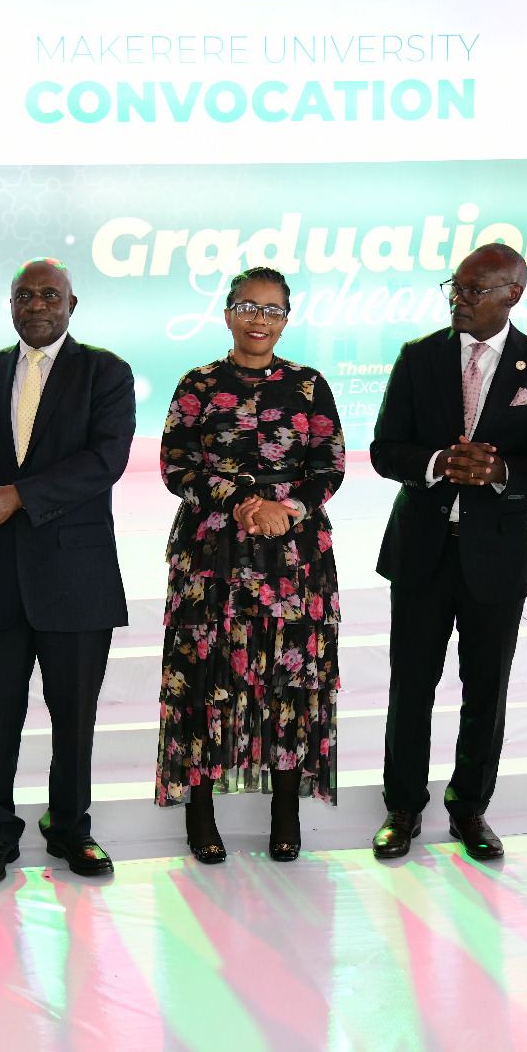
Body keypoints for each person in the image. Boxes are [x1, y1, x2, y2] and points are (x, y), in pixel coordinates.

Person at [367, 243, 527, 862]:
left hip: (497, 557)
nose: (459, 299)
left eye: (474, 291)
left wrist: (502, 471)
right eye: (454, 288)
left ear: (514, 293)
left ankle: (471, 809)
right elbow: (383, 450)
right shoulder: (418, 357)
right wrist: (434, 463)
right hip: (423, 549)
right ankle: (402, 808)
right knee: (412, 684)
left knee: (487, 689)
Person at [0, 258, 135, 885]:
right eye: (24, 295)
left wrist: (15, 497)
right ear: (10, 304)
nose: (36, 305)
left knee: (73, 715)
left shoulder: (106, 372)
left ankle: (71, 826)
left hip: (75, 577)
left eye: (49, 295)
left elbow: (103, 461)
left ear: (71, 305)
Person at [155, 266, 345, 863]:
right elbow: (176, 465)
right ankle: (201, 819)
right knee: (206, 680)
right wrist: (241, 502)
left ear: (286, 319)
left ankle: (285, 817)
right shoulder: (199, 383)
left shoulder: (310, 386)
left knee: (290, 681)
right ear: (228, 312)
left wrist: (286, 508)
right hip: (212, 555)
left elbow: (330, 465)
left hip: (293, 557)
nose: (259, 319)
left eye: (272, 310)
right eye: (248, 306)